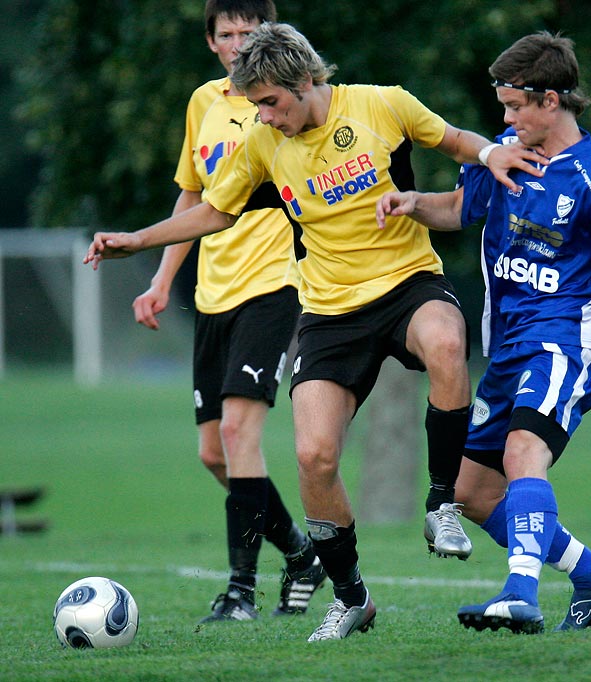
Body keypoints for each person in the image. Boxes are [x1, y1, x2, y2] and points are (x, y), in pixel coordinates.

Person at [84, 22, 549, 641]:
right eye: (256, 107)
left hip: (408, 281)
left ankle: (442, 504)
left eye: (272, 103)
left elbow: (456, 141)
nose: (267, 118)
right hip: (329, 311)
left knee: (446, 340)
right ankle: (352, 597)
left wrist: (494, 153)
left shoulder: (382, 103)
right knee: (313, 455)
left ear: (306, 80)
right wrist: (137, 241)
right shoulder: (262, 144)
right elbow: (216, 209)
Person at [376, 30, 591, 634]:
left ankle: (519, 594)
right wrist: (412, 202)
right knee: (471, 492)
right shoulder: (505, 150)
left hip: (569, 340)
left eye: (513, 105)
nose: (503, 118)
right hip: (508, 344)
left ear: (551, 100)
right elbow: (460, 210)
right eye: (502, 106)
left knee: (522, 452)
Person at [130, 1, 325, 624]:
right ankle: (299, 552)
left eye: (249, 32)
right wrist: (163, 278)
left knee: (243, 436)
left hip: (273, 288)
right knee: (214, 453)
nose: (238, 43)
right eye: (227, 34)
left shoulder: (289, 99)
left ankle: (240, 591)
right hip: (213, 293)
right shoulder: (204, 103)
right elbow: (197, 193)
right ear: (211, 41)